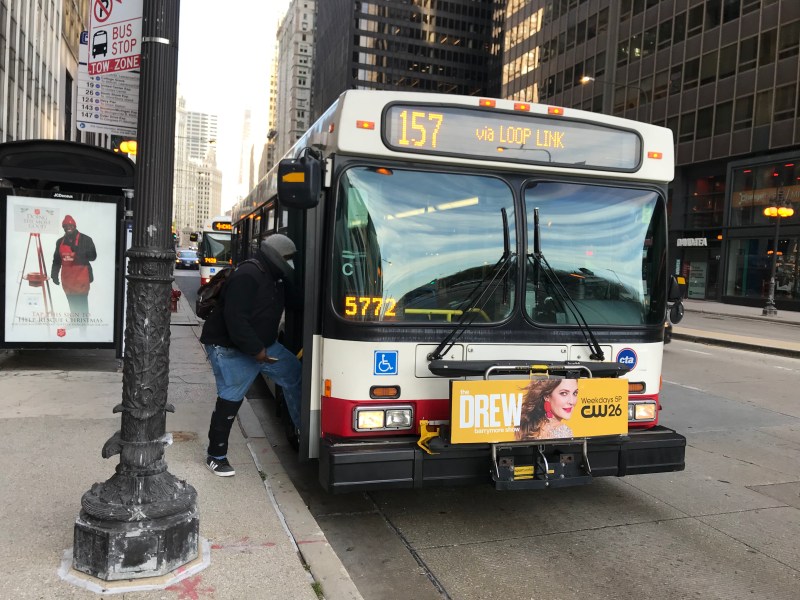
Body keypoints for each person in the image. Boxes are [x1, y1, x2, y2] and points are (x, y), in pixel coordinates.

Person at [200, 234, 302, 477]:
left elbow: (297, 302)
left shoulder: (275, 277)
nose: (291, 264)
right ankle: (216, 456)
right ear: (276, 256)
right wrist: (258, 351)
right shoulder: (248, 275)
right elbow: (235, 320)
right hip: (230, 349)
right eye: (288, 259)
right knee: (230, 399)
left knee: (294, 375)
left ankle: (301, 430)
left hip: (263, 345)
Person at [51, 214, 97, 317]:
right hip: (67, 280)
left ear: (75, 226)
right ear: (63, 228)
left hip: (82, 278)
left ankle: (83, 327)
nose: (68, 228)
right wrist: (54, 274)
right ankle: (74, 321)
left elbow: (93, 257)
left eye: (70, 226)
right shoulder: (60, 242)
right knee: (72, 303)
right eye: (65, 226)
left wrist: (79, 251)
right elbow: (57, 260)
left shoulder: (86, 239)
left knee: (82, 304)